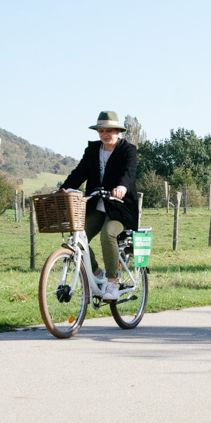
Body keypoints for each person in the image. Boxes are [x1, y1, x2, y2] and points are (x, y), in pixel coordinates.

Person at [58, 111, 138, 300]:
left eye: (109, 130)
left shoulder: (128, 150)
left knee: (108, 233)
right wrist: (63, 189)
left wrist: (121, 187)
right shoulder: (93, 150)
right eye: (101, 130)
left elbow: (129, 172)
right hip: (96, 204)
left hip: (120, 207)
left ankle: (112, 282)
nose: (105, 134)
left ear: (117, 131)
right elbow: (80, 172)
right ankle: (96, 272)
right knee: (78, 234)